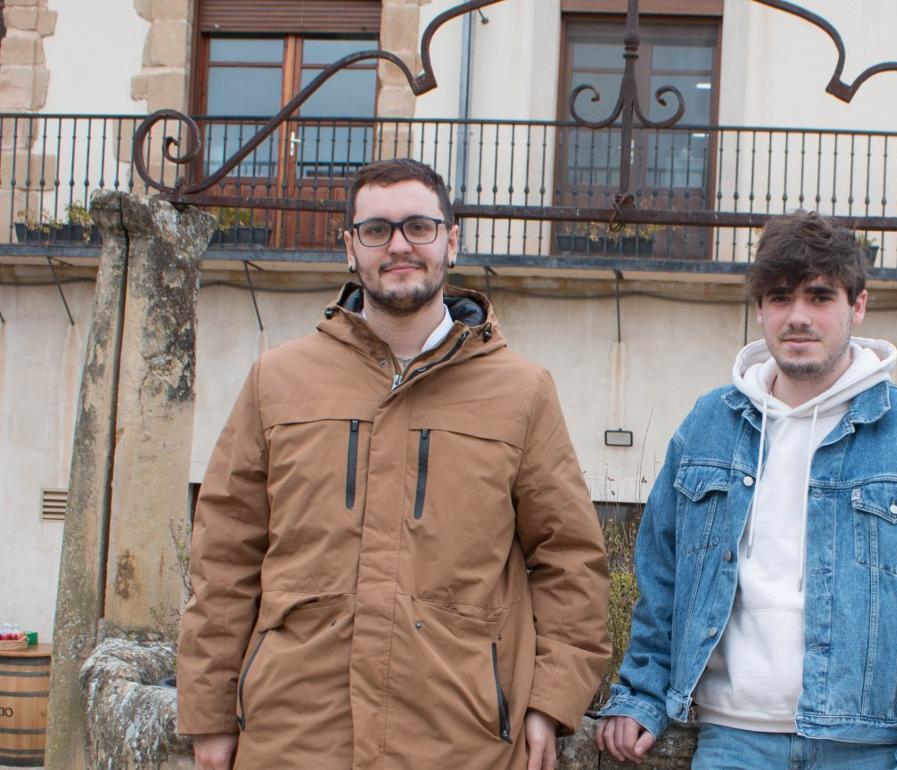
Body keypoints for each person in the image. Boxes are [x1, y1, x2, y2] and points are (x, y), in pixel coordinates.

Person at [177, 158, 611, 770]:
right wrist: (209, 715)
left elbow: (569, 559)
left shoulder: (522, 392)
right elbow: (225, 556)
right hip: (293, 736)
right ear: (349, 248)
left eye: (419, 227)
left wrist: (552, 700)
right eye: (377, 230)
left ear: (451, 242)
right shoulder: (277, 382)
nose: (399, 245)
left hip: (463, 741)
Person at [596, 211, 897, 769]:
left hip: (865, 747)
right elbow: (662, 578)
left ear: (857, 306)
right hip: (733, 743)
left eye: (820, 296)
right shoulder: (709, 425)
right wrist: (641, 693)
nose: (797, 317)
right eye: (780, 297)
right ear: (759, 310)